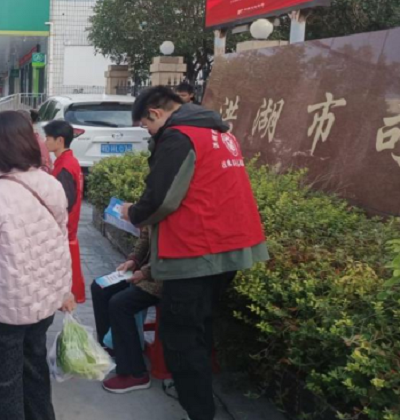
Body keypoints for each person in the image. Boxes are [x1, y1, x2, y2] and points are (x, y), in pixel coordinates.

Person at [121, 86, 268, 420]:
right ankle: (198, 397)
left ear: (156, 113)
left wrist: (132, 213)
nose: (149, 133)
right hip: (230, 247)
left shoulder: (179, 136)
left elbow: (161, 199)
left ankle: (199, 410)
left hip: (196, 250)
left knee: (180, 338)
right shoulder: (219, 132)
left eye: (147, 126)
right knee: (199, 326)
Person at [0, 111, 74, 420]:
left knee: (3, 382)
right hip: (43, 299)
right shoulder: (49, 183)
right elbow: (59, 237)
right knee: (34, 368)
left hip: (4, 306)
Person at [90, 227, 162, 393]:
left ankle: (135, 372)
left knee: (120, 304)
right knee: (100, 287)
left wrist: (144, 272)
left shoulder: (171, 214)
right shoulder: (154, 213)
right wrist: (133, 260)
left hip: (163, 280)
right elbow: (145, 237)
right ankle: (112, 346)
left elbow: (172, 259)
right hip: (146, 272)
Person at [43, 120, 86, 303]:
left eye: (48, 138)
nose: (45, 142)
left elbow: (63, 203)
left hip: (64, 229)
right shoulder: (69, 161)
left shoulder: (65, 167)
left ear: (59, 140)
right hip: (68, 228)